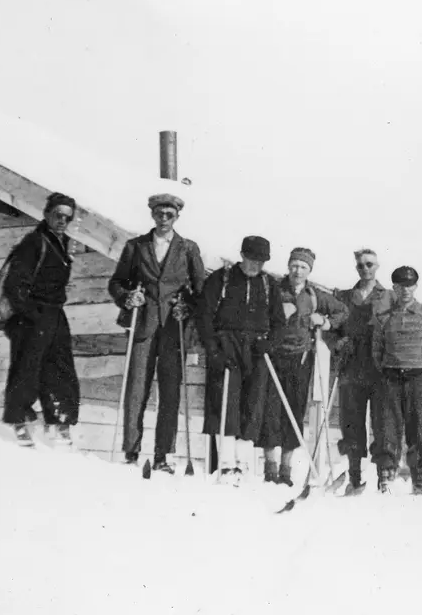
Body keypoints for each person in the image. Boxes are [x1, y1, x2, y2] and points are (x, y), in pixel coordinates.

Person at [107, 193, 207, 472]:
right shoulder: (136, 246)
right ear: (152, 214)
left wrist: (187, 306)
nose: (163, 219)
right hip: (144, 325)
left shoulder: (188, 249)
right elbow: (116, 283)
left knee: (170, 391)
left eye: (169, 215)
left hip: (174, 328)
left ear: (177, 217)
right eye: (159, 214)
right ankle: (130, 451)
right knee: (137, 388)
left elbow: (202, 291)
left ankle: (164, 455)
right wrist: (128, 297)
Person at [195, 235, 287, 485]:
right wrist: (214, 349)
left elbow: (279, 322)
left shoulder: (269, 285)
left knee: (252, 405)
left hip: (256, 349)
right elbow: (204, 315)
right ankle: (226, 464)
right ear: (242, 255)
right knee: (224, 402)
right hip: (227, 345)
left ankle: (243, 465)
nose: (255, 265)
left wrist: (270, 343)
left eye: (260, 261)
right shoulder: (222, 278)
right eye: (251, 259)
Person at [259, 247, 348, 484]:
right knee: (270, 410)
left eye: (303, 267)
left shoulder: (314, 294)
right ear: (288, 266)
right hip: (273, 357)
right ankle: (270, 466)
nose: (297, 271)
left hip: (300, 359)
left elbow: (343, 312)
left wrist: (325, 322)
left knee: (294, 410)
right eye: (294, 265)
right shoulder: (274, 289)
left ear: (309, 270)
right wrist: (277, 314)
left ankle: (286, 469)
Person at [1, 192, 81, 448]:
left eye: (67, 218)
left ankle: (60, 422)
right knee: (26, 369)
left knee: (60, 369)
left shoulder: (61, 242)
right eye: (57, 215)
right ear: (46, 214)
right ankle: (19, 422)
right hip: (32, 317)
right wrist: (32, 315)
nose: (61, 221)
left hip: (55, 314)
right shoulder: (33, 243)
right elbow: (15, 285)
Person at [371, 266, 422, 494]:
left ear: (415, 286)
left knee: (420, 427)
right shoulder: (384, 319)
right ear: (394, 287)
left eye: (409, 285)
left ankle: (419, 476)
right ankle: (386, 476)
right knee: (387, 427)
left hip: (420, 377)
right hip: (391, 376)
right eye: (400, 285)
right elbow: (377, 351)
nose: (405, 289)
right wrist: (388, 368)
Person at [333, 249, 394, 493]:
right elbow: (333, 327)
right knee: (351, 423)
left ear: (377, 266)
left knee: (382, 422)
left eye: (369, 264)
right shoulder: (344, 296)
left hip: (380, 369)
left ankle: (385, 476)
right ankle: (354, 475)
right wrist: (336, 342)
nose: (365, 269)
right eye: (360, 265)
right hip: (351, 368)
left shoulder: (389, 296)